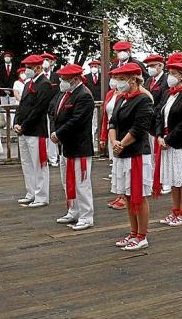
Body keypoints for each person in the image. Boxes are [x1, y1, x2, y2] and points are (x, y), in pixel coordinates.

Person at [109, 62, 154, 251]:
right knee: (127, 195)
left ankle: (142, 235)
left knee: (138, 195)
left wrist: (122, 143)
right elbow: (112, 123)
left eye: (121, 79)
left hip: (136, 153)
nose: (118, 83)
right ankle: (133, 232)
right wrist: (114, 143)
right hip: (121, 152)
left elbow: (139, 127)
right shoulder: (121, 98)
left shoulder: (144, 99)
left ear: (133, 79)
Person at [51, 64, 96, 231]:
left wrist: (59, 134)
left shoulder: (84, 95)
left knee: (82, 183)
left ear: (76, 79)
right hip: (67, 146)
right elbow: (55, 114)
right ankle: (73, 210)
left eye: (65, 79)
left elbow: (77, 120)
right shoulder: (66, 94)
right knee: (67, 181)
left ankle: (86, 216)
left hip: (79, 146)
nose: (61, 82)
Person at [156, 62, 182, 227]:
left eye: (174, 73)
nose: (170, 76)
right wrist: (159, 135)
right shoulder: (168, 94)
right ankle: (175, 210)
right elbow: (159, 115)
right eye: (169, 72)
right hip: (166, 140)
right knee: (173, 178)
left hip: (180, 143)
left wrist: (168, 139)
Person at [14, 55, 55, 208]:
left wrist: (24, 125)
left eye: (30, 67)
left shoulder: (44, 84)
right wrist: (16, 123)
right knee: (26, 163)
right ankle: (30, 192)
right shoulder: (27, 83)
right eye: (26, 67)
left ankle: (41, 196)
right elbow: (22, 105)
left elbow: (38, 109)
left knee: (39, 164)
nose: (27, 70)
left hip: (36, 130)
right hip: (23, 131)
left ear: (38, 67)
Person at [144, 54, 172, 197]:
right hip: (149, 123)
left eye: (153, 65)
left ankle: (165, 181)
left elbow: (164, 101)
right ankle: (154, 180)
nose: (151, 68)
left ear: (161, 66)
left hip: (159, 120)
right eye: (149, 66)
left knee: (161, 153)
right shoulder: (148, 80)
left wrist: (151, 112)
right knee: (151, 154)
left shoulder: (166, 80)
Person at [100, 73, 125, 209]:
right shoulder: (110, 94)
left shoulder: (125, 95)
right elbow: (105, 117)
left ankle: (125, 196)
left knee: (123, 166)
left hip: (121, 133)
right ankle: (120, 194)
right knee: (115, 165)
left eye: (118, 77)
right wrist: (103, 136)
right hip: (111, 132)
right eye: (113, 78)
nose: (114, 80)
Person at [40, 52, 61, 167]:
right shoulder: (38, 76)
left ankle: (53, 158)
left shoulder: (56, 77)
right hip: (40, 109)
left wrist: (53, 105)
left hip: (52, 109)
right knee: (42, 134)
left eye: (47, 59)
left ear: (52, 62)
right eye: (43, 59)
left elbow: (59, 92)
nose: (45, 62)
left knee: (52, 131)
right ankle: (43, 158)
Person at [84, 59, 102, 153]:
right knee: (92, 125)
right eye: (92, 67)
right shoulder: (86, 78)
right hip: (91, 105)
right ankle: (93, 145)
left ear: (99, 67)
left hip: (101, 104)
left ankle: (100, 145)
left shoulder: (103, 77)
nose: (94, 68)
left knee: (100, 124)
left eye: (95, 66)